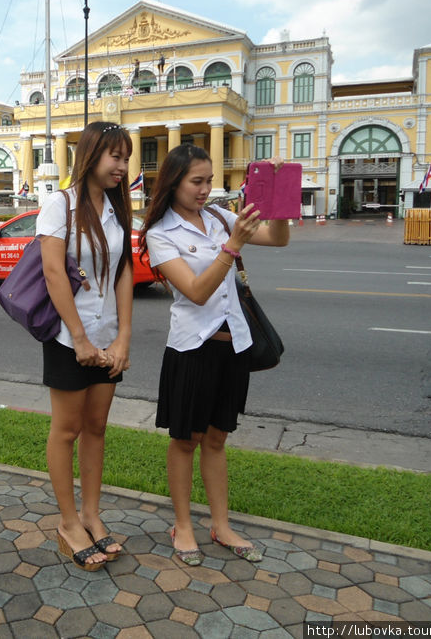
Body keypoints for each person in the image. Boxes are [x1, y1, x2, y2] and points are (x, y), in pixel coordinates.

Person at [139, 144, 289, 566]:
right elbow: (197, 291)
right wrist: (233, 246)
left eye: (210, 181)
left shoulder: (221, 218)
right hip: (192, 347)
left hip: (234, 345)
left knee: (218, 438)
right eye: (197, 182)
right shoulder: (161, 233)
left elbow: (277, 238)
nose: (207, 190)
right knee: (186, 440)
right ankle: (183, 525)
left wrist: (276, 194)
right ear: (173, 183)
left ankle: (220, 524)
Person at [37, 121, 134, 570]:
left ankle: (93, 514)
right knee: (68, 430)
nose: (122, 165)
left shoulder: (117, 209)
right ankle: (69, 522)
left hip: (107, 337)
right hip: (67, 338)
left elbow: (124, 273)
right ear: (92, 155)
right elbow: (54, 273)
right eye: (115, 156)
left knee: (96, 428)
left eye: (126, 156)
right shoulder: (61, 205)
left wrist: (123, 337)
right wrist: (78, 337)